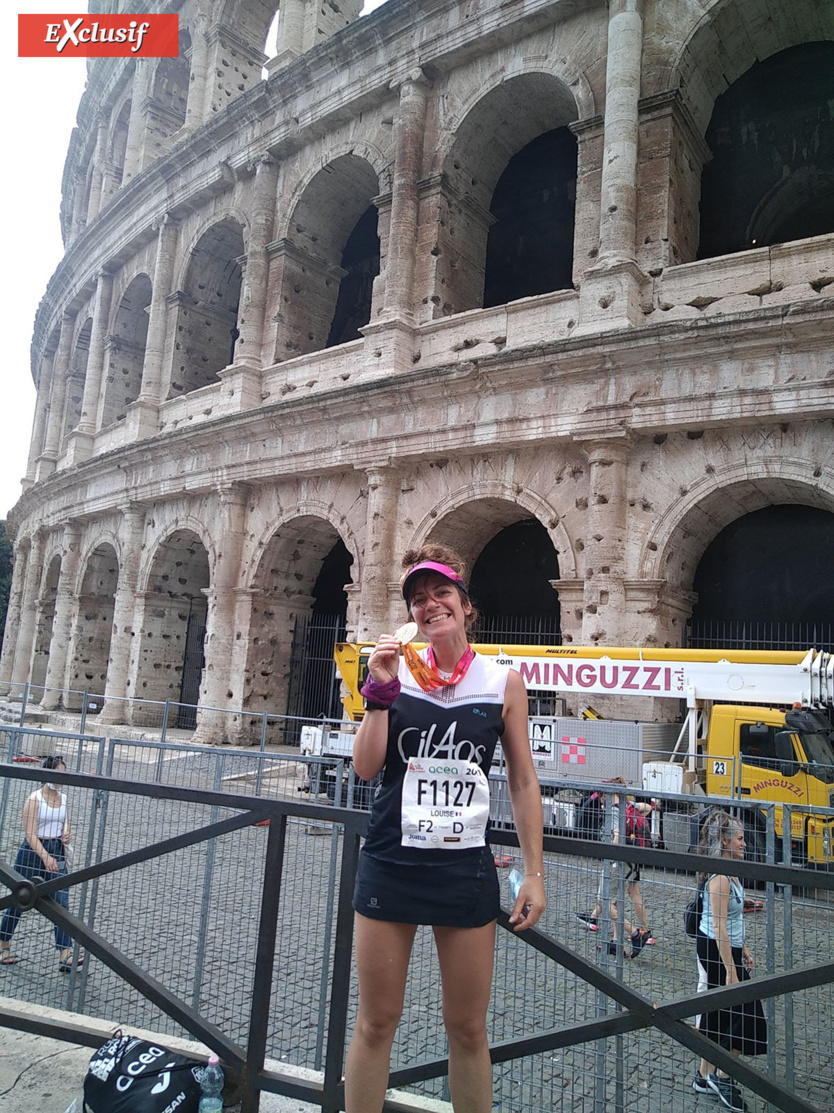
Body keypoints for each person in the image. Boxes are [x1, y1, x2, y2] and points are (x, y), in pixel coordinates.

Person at [344, 544, 546, 1113]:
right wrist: (378, 694)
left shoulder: (502, 681)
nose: (430, 605)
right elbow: (364, 767)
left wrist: (534, 872)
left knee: (468, 1028)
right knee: (376, 1021)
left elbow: (524, 781)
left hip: (463, 868)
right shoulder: (391, 670)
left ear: (464, 603)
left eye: (441, 594)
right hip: (392, 860)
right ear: (411, 613)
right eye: (418, 599)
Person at [692, 808, 766, 1111]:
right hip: (716, 950)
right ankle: (723, 1076)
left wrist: (743, 947)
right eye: (739, 839)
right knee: (747, 1016)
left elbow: (733, 922)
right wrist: (730, 970)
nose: (744, 844)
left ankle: (703, 1075)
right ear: (724, 842)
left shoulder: (732, 871)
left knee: (716, 1015)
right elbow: (719, 926)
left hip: (729, 948)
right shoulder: (719, 879)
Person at [0, 754, 83, 971]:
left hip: (56, 849)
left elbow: (65, 822)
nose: (62, 778)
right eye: (58, 773)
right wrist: (45, 857)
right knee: (18, 900)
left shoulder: (63, 798)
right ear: (47, 773)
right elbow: (29, 834)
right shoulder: (34, 799)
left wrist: (66, 834)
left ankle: (65, 953)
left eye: (64, 774)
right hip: (33, 852)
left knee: (61, 902)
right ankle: (3, 943)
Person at [575, 777, 655, 957]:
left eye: (603, 795)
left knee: (604, 900)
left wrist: (611, 860)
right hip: (631, 861)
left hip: (617, 862)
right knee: (615, 902)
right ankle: (615, 943)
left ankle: (636, 934)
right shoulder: (630, 807)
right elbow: (648, 808)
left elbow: (617, 835)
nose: (602, 799)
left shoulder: (613, 811)